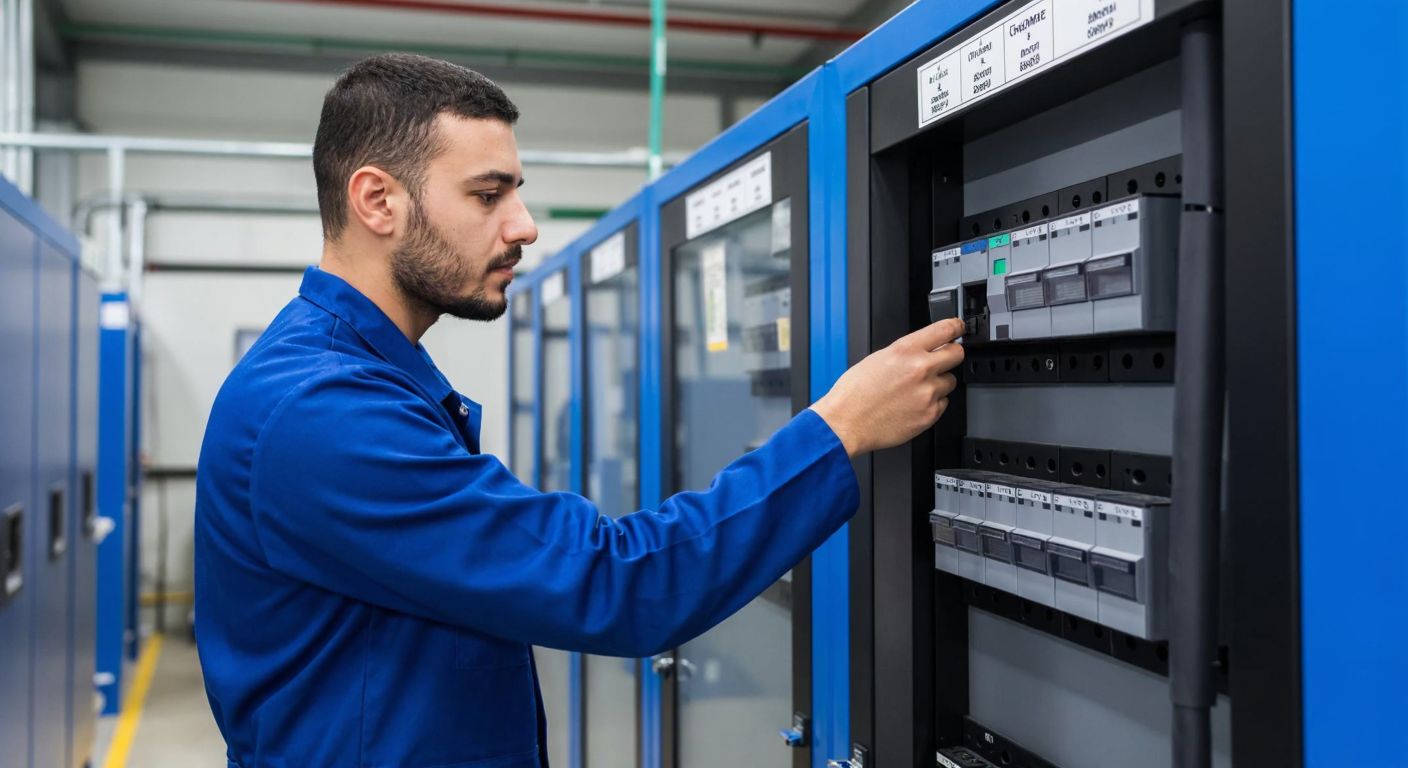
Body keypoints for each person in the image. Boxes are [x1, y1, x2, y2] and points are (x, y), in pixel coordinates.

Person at [194, 53, 964, 768]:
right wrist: (840, 428)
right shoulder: (321, 412)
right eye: (488, 195)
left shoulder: (362, 375)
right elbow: (616, 584)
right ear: (377, 201)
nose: (524, 225)